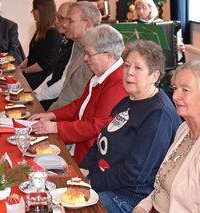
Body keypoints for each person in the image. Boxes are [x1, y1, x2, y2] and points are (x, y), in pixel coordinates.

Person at [80, 40, 182, 213]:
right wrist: (83, 169)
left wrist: (90, 183)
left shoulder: (158, 115)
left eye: (138, 68)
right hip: (104, 181)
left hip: (127, 197)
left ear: (155, 76)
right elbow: (100, 142)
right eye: (127, 66)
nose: (129, 73)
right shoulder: (128, 100)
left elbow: (135, 173)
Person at [133, 60, 200, 213]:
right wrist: (142, 207)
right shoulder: (184, 128)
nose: (175, 96)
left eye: (185, 90)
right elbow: (163, 184)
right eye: (175, 88)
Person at [29, 25, 127, 165]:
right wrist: (52, 115)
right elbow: (81, 104)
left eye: (89, 54)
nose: (85, 58)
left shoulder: (117, 82)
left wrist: (57, 127)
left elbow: (98, 126)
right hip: (80, 147)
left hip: (93, 158)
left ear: (109, 55)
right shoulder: (101, 74)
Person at [47, 1, 101, 110]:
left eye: (70, 21)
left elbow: (82, 103)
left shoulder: (97, 56)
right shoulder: (77, 45)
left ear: (87, 25)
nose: (65, 25)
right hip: (60, 111)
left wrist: (52, 116)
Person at [34, 1, 74, 110]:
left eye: (61, 18)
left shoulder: (75, 45)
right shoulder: (65, 39)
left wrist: (38, 97)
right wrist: (36, 93)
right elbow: (54, 74)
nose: (57, 22)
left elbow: (63, 84)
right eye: (57, 17)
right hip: (52, 91)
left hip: (62, 99)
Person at [18, 0, 62, 90]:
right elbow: (32, 56)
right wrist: (20, 67)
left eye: (34, 8)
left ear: (42, 10)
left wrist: (24, 71)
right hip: (33, 74)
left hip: (41, 78)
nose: (32, 12)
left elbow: (45, 64)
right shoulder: (41, 30)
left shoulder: (53, 32)